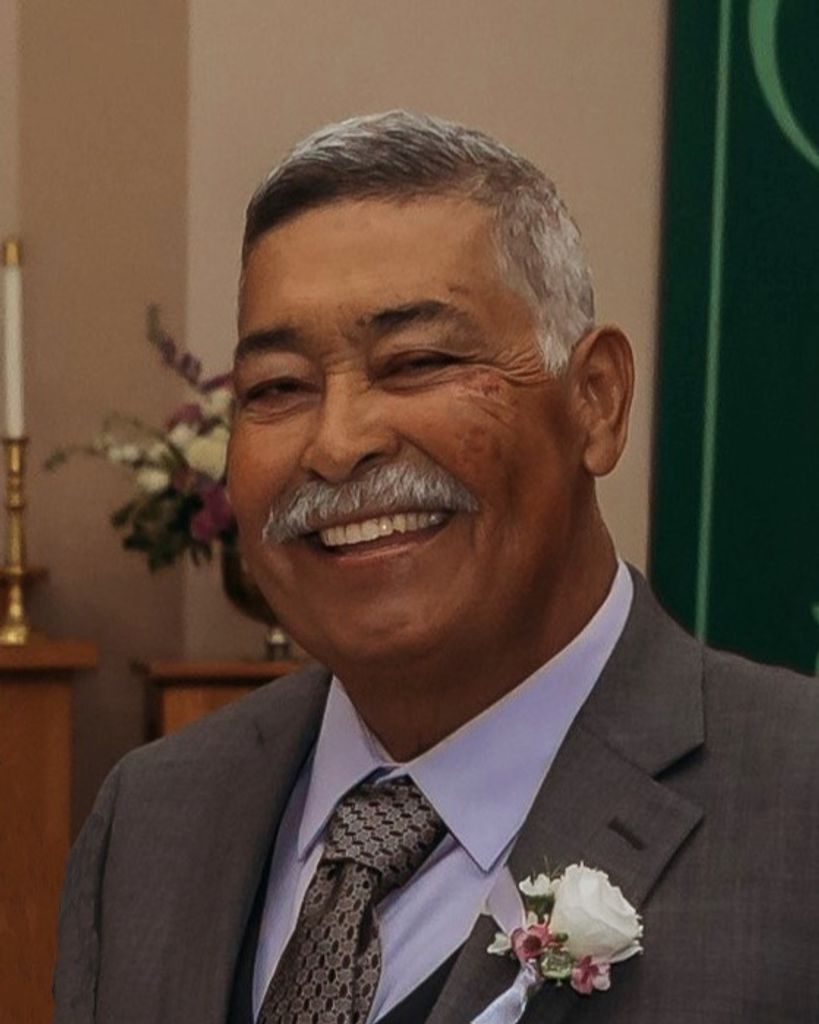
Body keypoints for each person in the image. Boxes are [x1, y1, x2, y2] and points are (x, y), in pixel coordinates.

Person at [54, 111, 819, 1024]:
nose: (337, 444)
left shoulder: (794, 805)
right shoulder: (151, 820)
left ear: (595, 401)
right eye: (279, 388)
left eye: (416, 362)